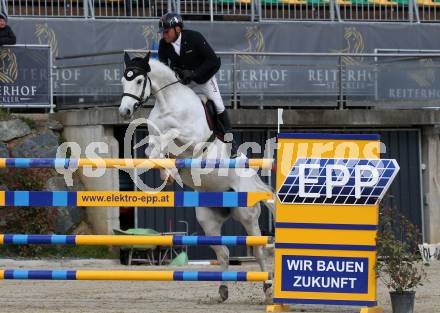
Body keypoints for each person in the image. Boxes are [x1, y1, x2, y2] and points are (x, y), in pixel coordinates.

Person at [158, 12, 238, 158]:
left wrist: (194, 73)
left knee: (218, 106)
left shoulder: (194, 37)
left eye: (166, 31)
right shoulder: (164, 45)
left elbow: (212, 60)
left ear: (177, 29)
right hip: (185, 82)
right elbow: (163, 66)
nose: (164, 35)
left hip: (204, 79)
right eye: (162, 32)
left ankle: (232, 144)